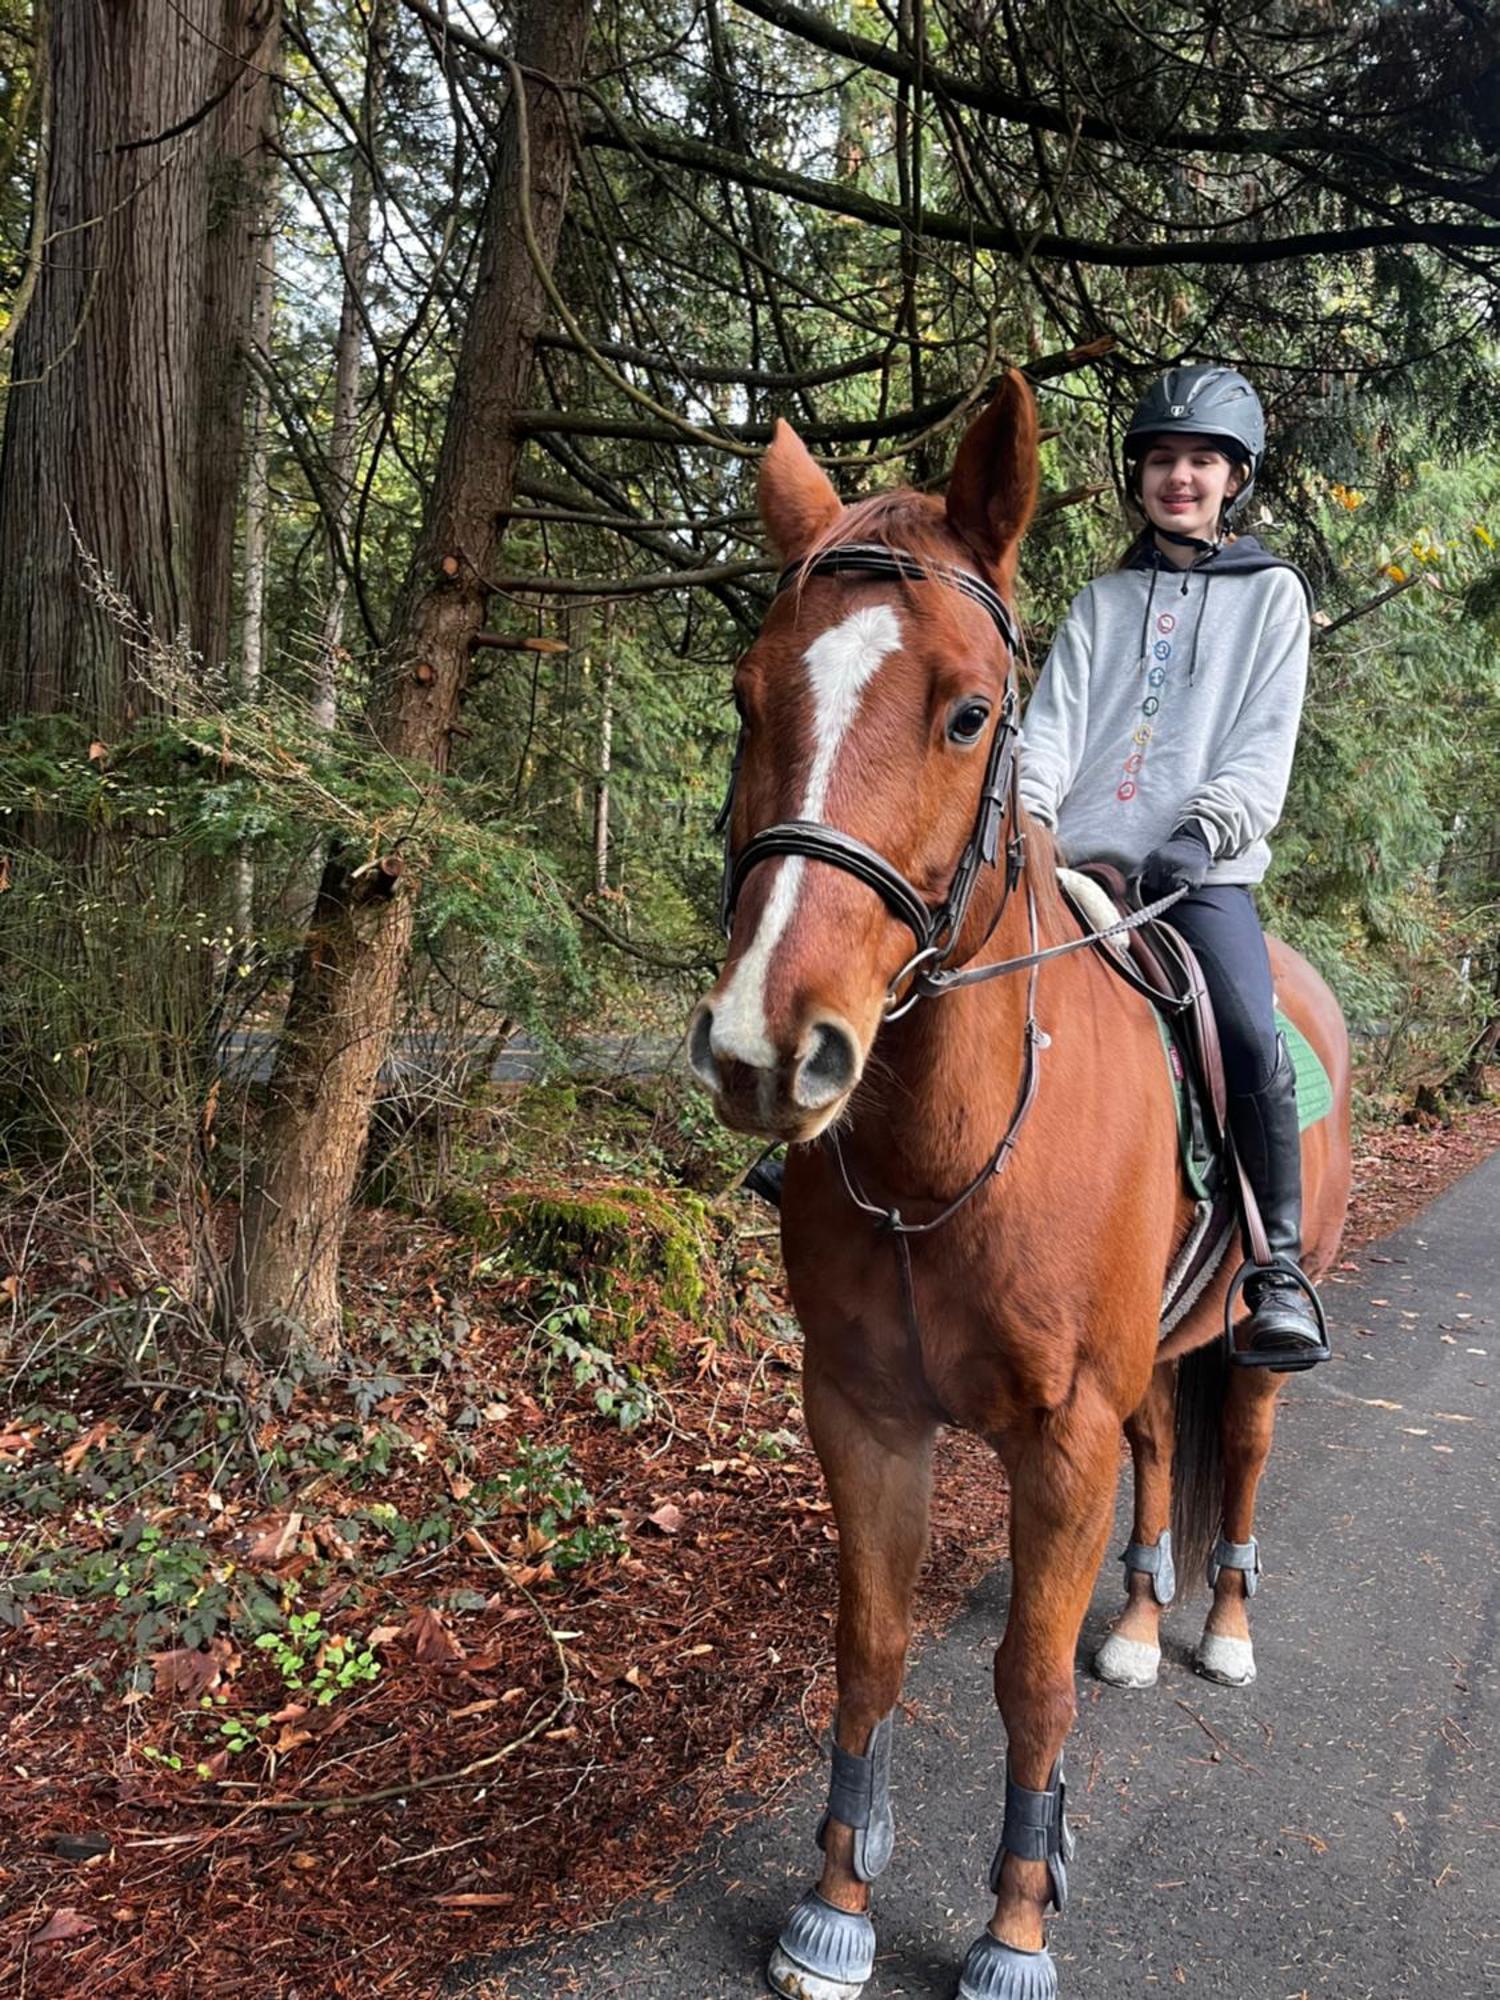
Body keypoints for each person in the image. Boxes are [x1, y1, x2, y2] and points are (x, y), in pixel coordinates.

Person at [1019, 363, 1326, 1365]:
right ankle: (819, 1160)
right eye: (1161, 459)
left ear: (1234, 475)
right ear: (1138, 475)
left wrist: (1201, 833)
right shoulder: (1104, 601)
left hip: (1198, 875)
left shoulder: (1272, 595)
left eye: (1200, 460)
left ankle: (1275, 1263)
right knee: (934, 956)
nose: (1179, 477)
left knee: (1244, 1024)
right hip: (1070, 859)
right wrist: (1028, 825)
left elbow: (1263, 739)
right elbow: (1050, 732)